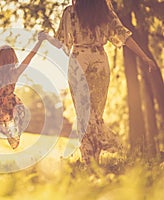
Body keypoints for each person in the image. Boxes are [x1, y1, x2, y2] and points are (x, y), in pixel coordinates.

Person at [42, 0, 157, 163]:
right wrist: (144, 57)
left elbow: (60, 43)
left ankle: (103, 151)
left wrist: (44, 40)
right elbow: (123, 35)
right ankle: (94, 159)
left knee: (85, 116)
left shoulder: (70, 13)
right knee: (94, 115)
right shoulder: (104, 12)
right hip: (100, 61)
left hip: (78, 61)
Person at [0, 19, 46, 149]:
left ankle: (5, 129)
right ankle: (11, 131)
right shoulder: (15, 73)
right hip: (10, 105)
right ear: (13, 58)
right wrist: (40, 41)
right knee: (16, 111)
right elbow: (30, 57)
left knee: (4, 117)